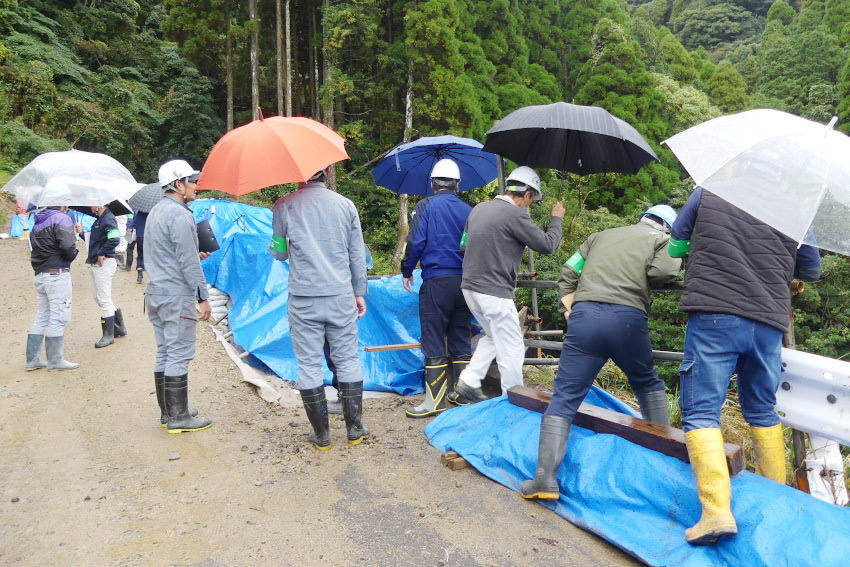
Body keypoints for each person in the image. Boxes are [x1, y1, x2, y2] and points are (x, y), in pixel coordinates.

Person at [667, 187, 821, 546]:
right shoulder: (797, 206)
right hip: (768, 325)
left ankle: (716, 513)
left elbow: (675, 246)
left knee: (701, 411)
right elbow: (812, 270)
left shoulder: (709, 191)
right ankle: (774, 505)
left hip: (715, 313)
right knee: (762, 409)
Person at [519, 205, 682, 501]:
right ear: (668, 227)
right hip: (627, 320)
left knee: (565, 396)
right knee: (646, 382)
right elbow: (663, 272)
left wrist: (569, 309)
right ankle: (663, 463)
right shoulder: (663, 241)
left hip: (584, 319)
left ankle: (544, 480)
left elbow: (569, 270)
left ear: (642, 218)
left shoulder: (600, 236)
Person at [270, 168, 369, 450]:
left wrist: (284, 244)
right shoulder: (346, 205)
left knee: (309, 364)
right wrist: (359, 293)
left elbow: (279, 253)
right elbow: (357, 254)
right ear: (326, 173)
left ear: (300, 174)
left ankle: (322, 435)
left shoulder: (283, 205)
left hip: (303, 298)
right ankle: (355, 429)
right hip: (341, 296)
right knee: (347, 360)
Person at [454, 166, 565, 402]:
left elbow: (464, 246)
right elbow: (548, 245)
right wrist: (557, 219)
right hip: (494, 292)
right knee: (513, 346)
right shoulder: (516, 215)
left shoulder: (478, 209)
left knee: (493, 337)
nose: (529, 205)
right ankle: (515, 399)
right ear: (527, 194)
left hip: (469, 287)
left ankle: (469, 380)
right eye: (531, 200)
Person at [401, 159, 473, 418]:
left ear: (432, 183)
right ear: (457, 185)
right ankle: (462, 394)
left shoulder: (426, 206)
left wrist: (407, 270)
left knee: (433, 338)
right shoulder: (470, 211)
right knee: (460, 335)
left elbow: (415, 242)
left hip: (437, 280)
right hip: (465, 283)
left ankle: (435, 401)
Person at [145, 159, 212, 433]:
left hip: (156, 293)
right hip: (175, 295)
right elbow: (188, 262)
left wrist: (194, 253)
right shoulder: (182, 215)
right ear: (177, 184)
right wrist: (202, 297)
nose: (196, 186)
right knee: (179, 353)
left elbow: (167, 253)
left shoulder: (155, 211)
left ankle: (169, 412)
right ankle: (179, 418)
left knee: (165, 351)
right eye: (192, 181)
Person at [25, 199, 81, 371]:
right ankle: (55, 360)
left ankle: (32, 359)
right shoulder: (62, 218)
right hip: (57, 274)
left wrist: (72, 233)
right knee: (59, 316)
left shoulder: (38, 219)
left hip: (41, 274)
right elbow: (68, 248)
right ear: (62, 203)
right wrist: (75, 239)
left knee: (42, 316)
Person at [87, 203, 127, 348]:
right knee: (99, 298)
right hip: (97, 262)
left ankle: (108, 335)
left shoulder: (108, 218)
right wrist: (81, 233)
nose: (90, 206)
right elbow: (97, 240)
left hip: (104, 262)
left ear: (99, 204)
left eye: (92, 203)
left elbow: (114, 238)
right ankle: (118, 327)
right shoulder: (99, 219)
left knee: (104, 299)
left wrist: (102, 252)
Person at [125, 211, 148, 284]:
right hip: (150, 237)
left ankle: (140, 275)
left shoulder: (139, 214)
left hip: (140, 236)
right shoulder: (153, 213)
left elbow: (134, 225)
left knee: (140, 256)